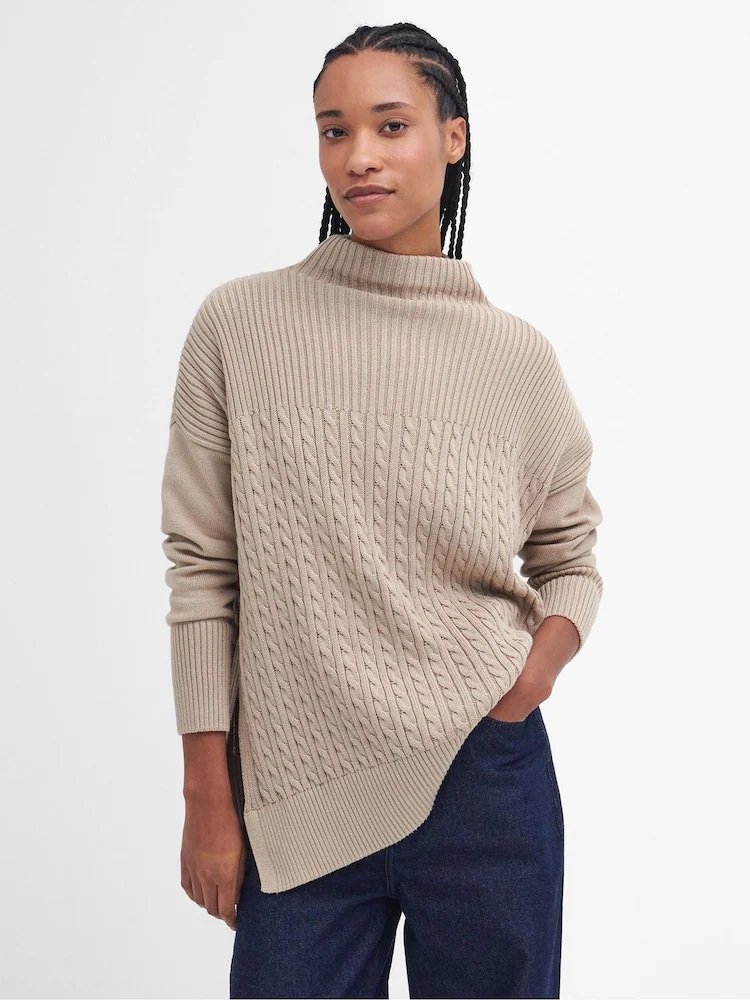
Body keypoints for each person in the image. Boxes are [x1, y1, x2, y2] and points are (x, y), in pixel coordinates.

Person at [160, 21, 604, 1000]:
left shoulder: (514, 359)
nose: (358, 156)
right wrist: (206, 793)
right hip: (297, 796)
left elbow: (570, 554)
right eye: (335, 130)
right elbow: (203, 568)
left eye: (391, 125)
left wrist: (527, 679)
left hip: (483, 780)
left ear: (454, 137)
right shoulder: (240, 326)